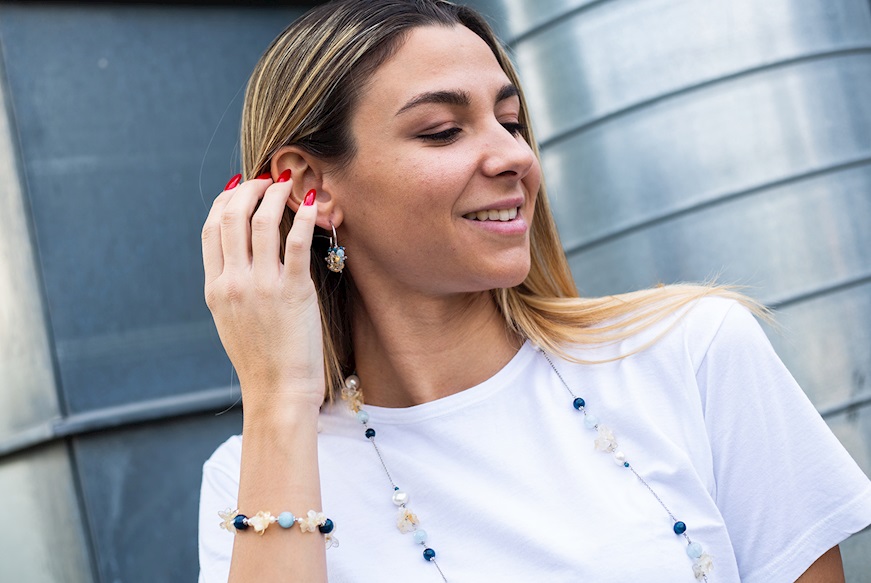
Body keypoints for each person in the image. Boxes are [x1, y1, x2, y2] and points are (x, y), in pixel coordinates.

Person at [197, 1, 871, 581]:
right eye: (443, 130)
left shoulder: (691, 352)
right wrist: (279, 398)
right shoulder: (253, 474)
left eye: (511, 122)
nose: (515, 155)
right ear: (308, 185)